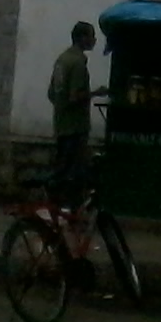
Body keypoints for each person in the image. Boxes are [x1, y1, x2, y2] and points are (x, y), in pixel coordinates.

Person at [47, 20, 106, 205]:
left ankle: (54, 206)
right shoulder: (78, 62)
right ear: (82, 38)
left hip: (61, 124)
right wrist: (97, 93)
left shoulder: (62, 59)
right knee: (73, 172)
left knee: (61, 168)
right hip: (75, 126)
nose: (94, 40)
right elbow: (74, 96)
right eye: (91, 36)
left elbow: (52, 93)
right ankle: (67, 209)